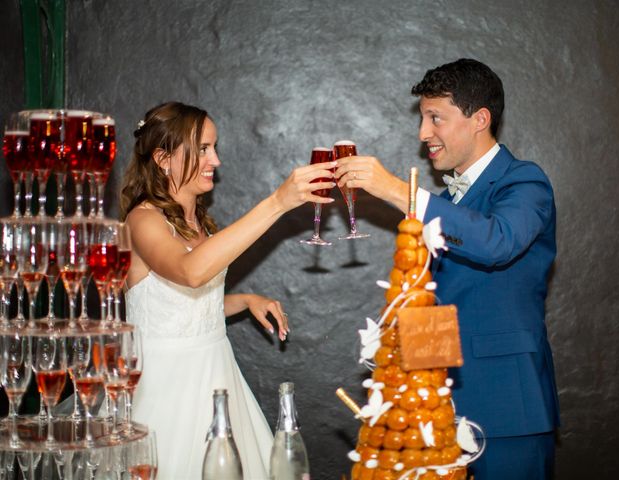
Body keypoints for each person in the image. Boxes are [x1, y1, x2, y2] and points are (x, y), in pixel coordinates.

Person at [334, 59, 560, 479]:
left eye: (435, 118)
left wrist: (398, 191)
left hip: (506, 409)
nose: (423, 134)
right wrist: (404, 379)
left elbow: (497, 242)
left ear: (480, 119)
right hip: (436, 411)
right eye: (423, 119)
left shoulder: (524, 181)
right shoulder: (449, 201)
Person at [120, 101, 335, 479]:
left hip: (218, 375)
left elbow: (184, 309)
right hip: (166, 390)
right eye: (203, 149)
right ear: (163, 158)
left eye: (214, 148)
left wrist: (245, 300)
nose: (215, 160)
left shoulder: (200, 221)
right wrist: (277, 203)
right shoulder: (142, 220)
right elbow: (190, 273)